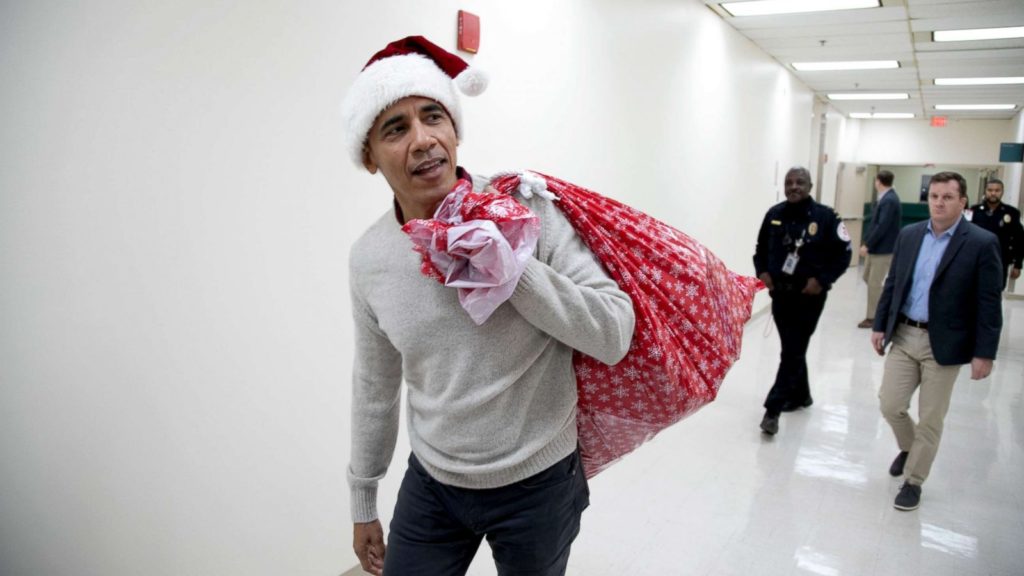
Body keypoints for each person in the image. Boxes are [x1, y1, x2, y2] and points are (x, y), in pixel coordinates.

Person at [339, 36, 635, 576]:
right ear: (369, 156)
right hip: (433, 483)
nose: (423, 139)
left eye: (434, 117)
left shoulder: (526, 209)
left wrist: (512, 269)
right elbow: (374, 386)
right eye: (396, 129)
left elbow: (613, 331)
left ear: (454, 129)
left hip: (539, 482)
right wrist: (363, 499)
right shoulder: (370, 259)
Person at [871, 171, 1002, 511]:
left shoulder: (981, 243)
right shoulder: (910, 235)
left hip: (944, 344)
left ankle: (913, 481)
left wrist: (984, 353)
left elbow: (989, 303)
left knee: (930, 417)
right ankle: (909, 447)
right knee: (890, 404)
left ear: (962, 202)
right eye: (934, 196)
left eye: (947, 197)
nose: (939, 202)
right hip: (904, 333)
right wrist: (880, 325)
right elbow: (894, 282)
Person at [753, 167, 852, 435]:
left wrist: (821, 280)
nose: (794, 186)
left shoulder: (827, 217)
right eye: (789, 182)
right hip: (781, 295)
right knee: (792, 347)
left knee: (793, 349)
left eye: (800, 182)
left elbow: (844, 255)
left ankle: (772, 410)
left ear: (810, 185)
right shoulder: (774, 215)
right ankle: (802, 395)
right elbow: (760, 250)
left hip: (809, 297)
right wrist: (762, 273)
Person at [858, 170, 901, 328]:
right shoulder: (884, 199)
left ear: (877, 181)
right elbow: (875, 224)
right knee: (868, 278)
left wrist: (867, 244)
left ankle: (874, 317)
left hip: (883, 250)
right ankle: (882, 310)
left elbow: (882, 226)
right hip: (876, 248)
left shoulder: (889, 200)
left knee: (875, 283)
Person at [968, 178, 1023, 289]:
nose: (993, 193)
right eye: (990, 190)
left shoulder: (1012, 213)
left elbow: (1019, 239)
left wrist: (1018, 265)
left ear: (1002, 192)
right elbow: (965, 234)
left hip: (1000, 260)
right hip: (976, 259)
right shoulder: (974, 210)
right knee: (972, 291)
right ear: (985, 191)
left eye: (997, 190)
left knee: (995, 292)